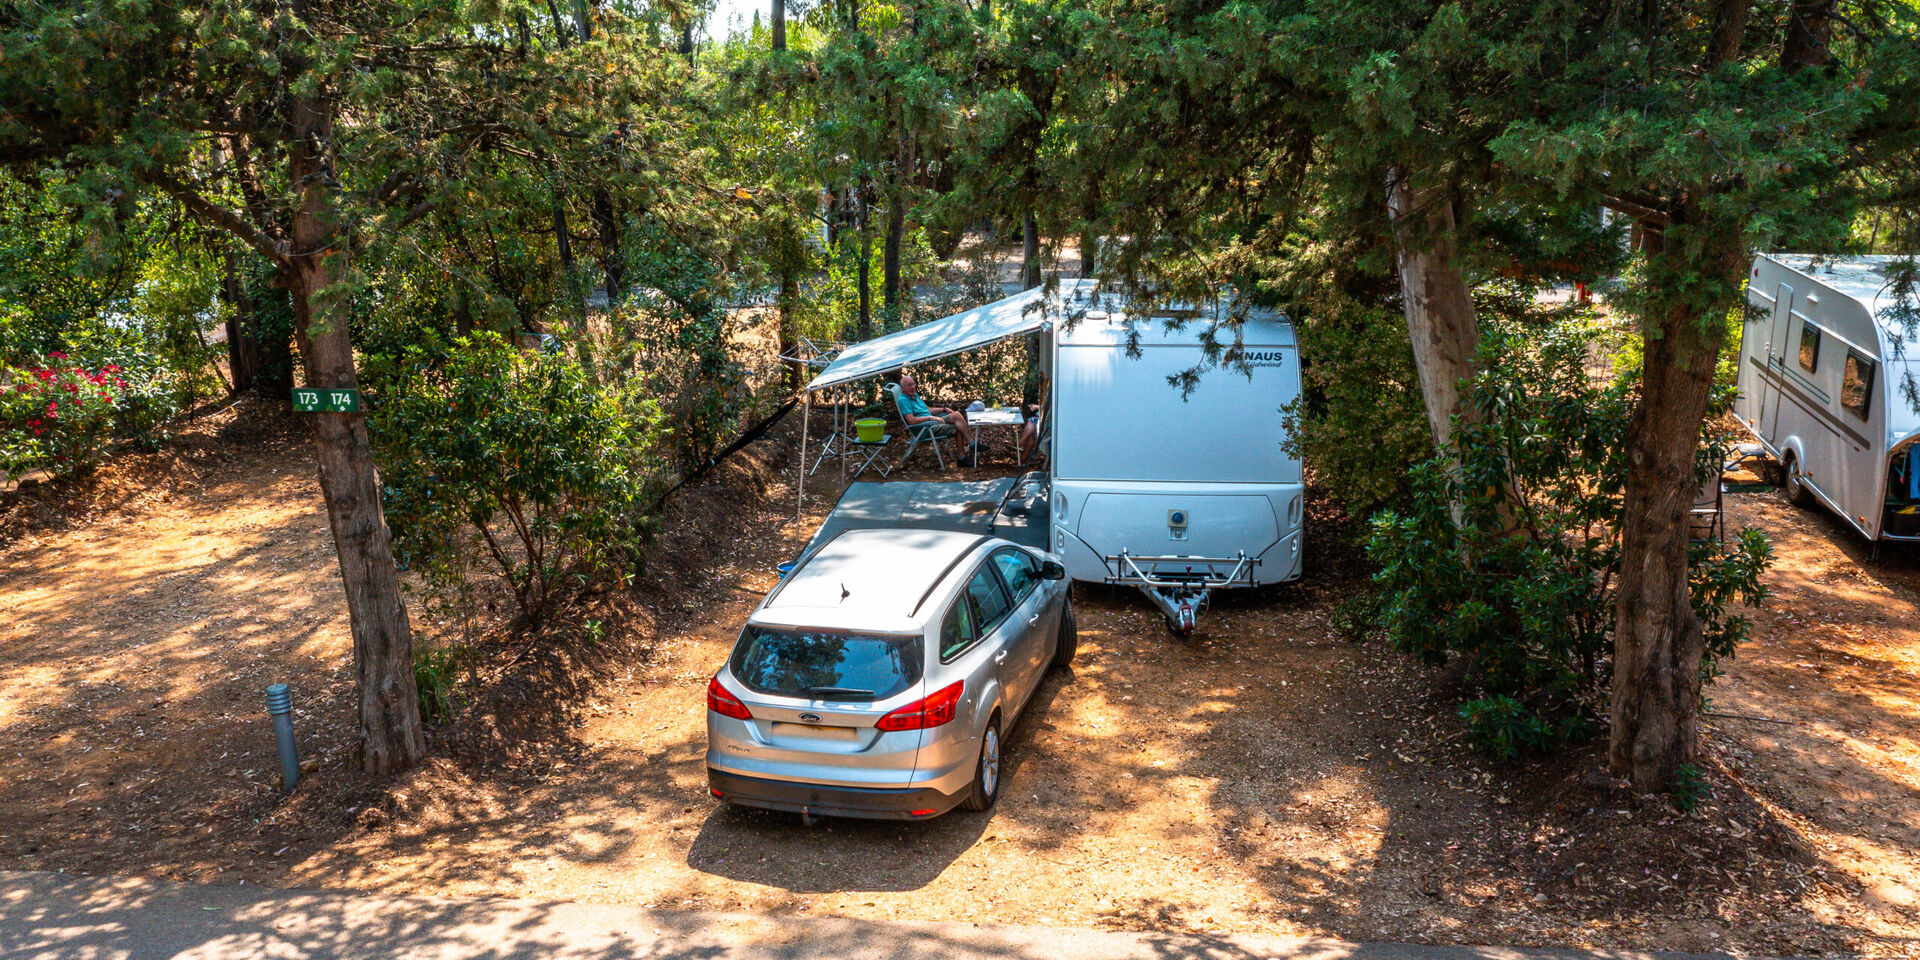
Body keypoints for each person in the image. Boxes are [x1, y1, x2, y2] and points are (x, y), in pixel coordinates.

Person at [897, 372, 974, 466]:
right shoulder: (903, 400)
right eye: (909, 385)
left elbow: (928, 409)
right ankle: (964, 455)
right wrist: (930, 418)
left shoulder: (914, 395)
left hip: (932, 422)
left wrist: (944, 409)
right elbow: (911, 420)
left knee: (956, 415)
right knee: (958, 425)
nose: (913, 387)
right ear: (902, 388)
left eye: (913, 384)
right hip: (926, 428)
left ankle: (970, 444)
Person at [1019, 374, 1049, 463]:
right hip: (1039, 422)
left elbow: (1047, 410)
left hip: (1044, 425)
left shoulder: (1053, 397)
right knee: (1031, 438)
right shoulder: (1046, 396)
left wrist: (1037, 407)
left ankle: (1021, 442)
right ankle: (1022, 461)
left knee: (1032, 422)